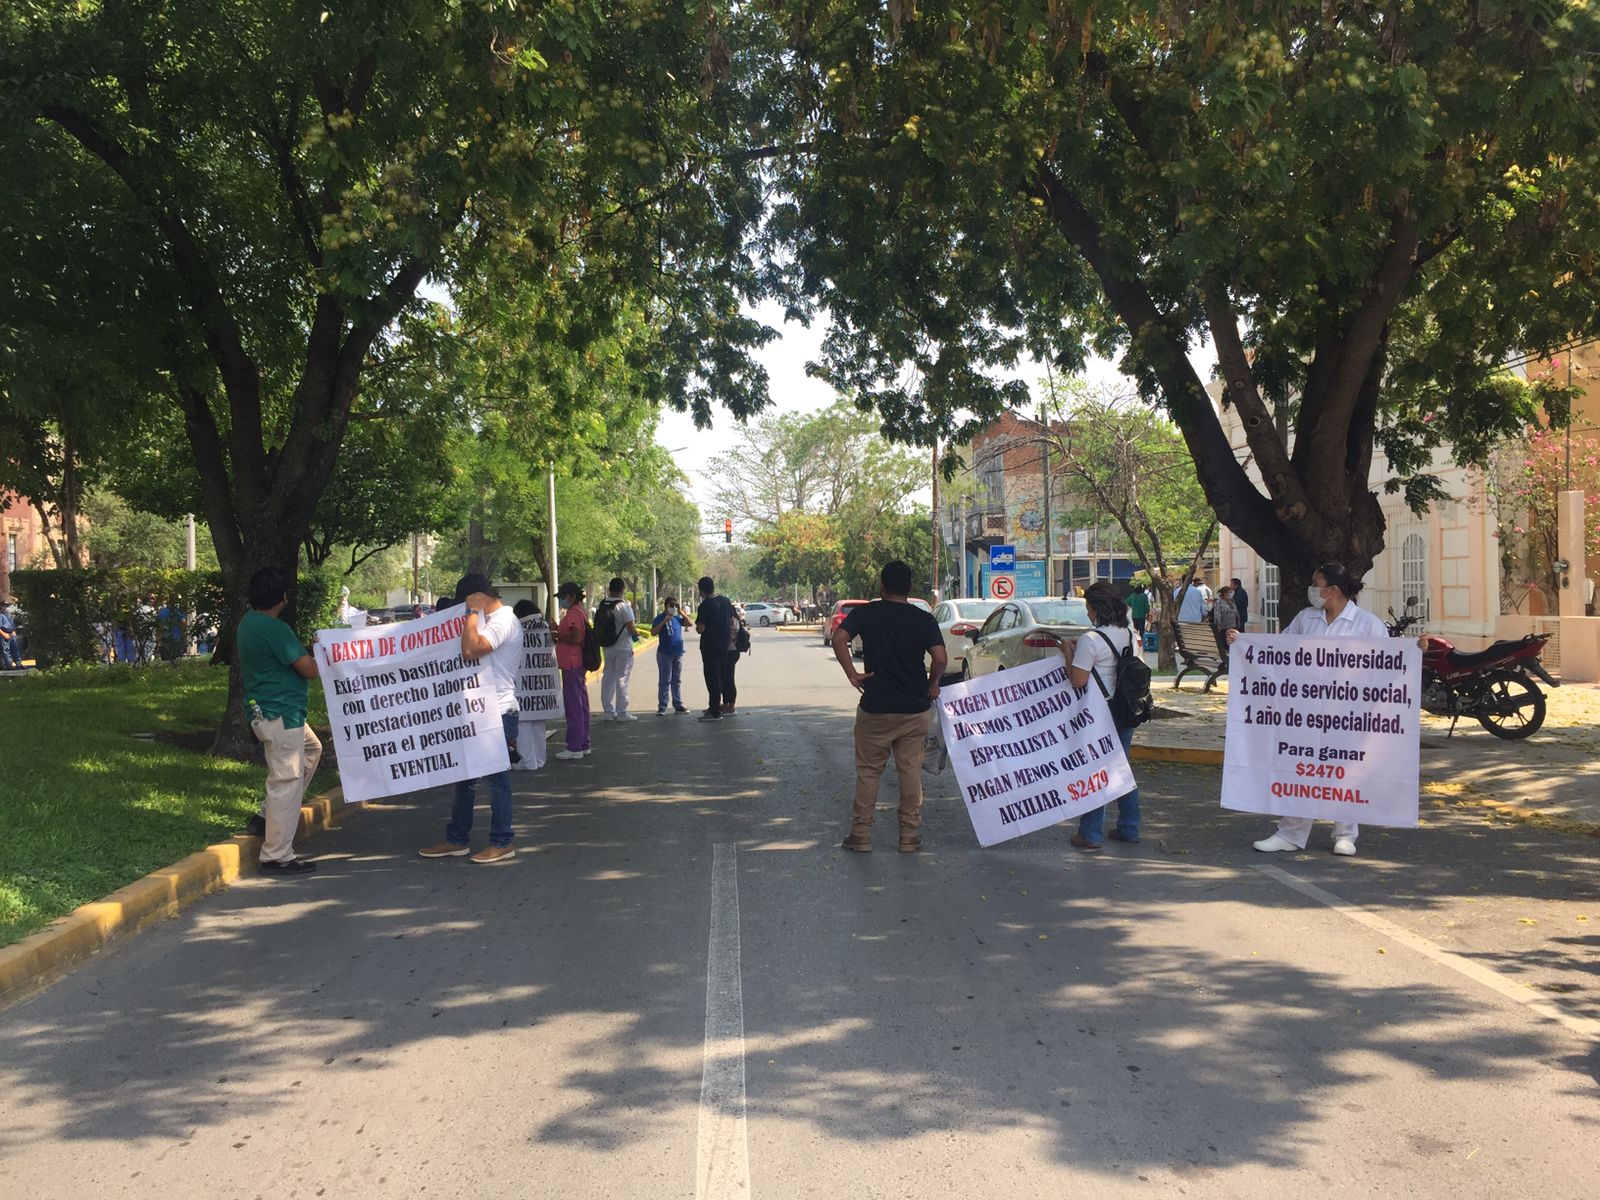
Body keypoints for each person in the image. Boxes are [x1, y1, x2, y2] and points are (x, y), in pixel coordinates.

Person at [1230, 562, 1386, 857]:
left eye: (1317, 584)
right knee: (1301, 769)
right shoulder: (1306, 618)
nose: (1312, 589)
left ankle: (1345, 835)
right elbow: (1280, 650)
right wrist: (1243, 643)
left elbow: (1388, 662)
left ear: (1333, 590)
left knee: (1344, 770)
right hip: (1305, 713)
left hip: (1348, 713)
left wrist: (1417, 650)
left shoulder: (1367, 624)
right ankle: (1290, 833)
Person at [832, 560, 947, 853]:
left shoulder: (867, 613)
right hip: (915, 709)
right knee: (910, 771)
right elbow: (940, 658)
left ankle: (861, 834)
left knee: (869, 772)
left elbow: (839, 638)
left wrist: (852, 674)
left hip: (876, 706)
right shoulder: (923, 619)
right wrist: (933, 684)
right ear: (910, 588)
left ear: (882, 586)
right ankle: (908, 836)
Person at [419, 574, 523, 864]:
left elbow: (470, 650)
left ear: (478, 597)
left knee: (497, 780)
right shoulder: (484, 619)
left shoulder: (503, 620)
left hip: (498, 711)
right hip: (475, 710)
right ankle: (456, 838)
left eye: (464, 603)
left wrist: (470, 613)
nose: (462, 609)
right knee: (464, 777)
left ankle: (502, 841)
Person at [237, 567, 323, 876]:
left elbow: (288, 659)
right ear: (282, 598)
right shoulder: (276, 630)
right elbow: (309, 670)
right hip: (282, 714)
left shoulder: (248, 623)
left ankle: (265, 817)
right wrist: (321, 652)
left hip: (267, 712)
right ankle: (276, 855)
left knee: (311, 751)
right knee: (286, 781)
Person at [1059, 581, 1144, 850]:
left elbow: (1078, 680)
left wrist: (1067, 652)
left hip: (1101, 712)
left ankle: (1090, 833)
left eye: (1088, 608)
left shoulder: (1091, 639)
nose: (1087, 613)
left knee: (1095, 770)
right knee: (1121, 768)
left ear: (1097, 609)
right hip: (1127, 708)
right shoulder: (1128, 633)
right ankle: (1129, 827)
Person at [552, 581, 593, 759]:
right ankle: (583, 743)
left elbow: (576, 638)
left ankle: (575, 747)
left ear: (572, 596)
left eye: (563, 597)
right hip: (576, 662)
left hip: (571, 662)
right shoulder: (579, 611)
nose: (561, 600)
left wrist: (556, 634)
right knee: (581, 704)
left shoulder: (573, 613)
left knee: (573, 705)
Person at [511, 600, 550, 772]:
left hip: (523, 684)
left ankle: (528, 761)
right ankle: (540, 759)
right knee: (539, 722)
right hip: (542, 682)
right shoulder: (545, 627)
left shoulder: (518, 630)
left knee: (523, 722)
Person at [595, 578, 639, 721]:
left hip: (607, 646)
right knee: (622, 678)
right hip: (623, 647)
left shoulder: (603, 604)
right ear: (623, 589)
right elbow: (631, 628)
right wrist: (637, 634)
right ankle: (622, 712)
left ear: (609, 589)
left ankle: (608, 711)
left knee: (608, 677)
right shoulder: (623, 606)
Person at [694, 576, 734, 722]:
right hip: (725, 645)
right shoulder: (726, 601)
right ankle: (716, 707)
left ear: (701, 590)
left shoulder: (705, 605)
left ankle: (715, 711)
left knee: (712, 678)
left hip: (710, 647)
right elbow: (731, 620)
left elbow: (700, 628)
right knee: (721, 676)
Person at [651, 596, 689, 714]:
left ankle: (678, 705)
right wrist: (664, 621)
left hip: (678, 652)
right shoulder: (659, 618)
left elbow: (690, 623)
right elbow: (653, 632)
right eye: (671, 605)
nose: (673, 607)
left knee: (676, 680)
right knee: (664, 680)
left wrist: (681, 612)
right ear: (666, 606)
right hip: (664, 653)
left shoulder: (677, 618)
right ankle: (662, 706)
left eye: (675, 605)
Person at [720, 607, 749, 715]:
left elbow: (726, 634)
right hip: (731, 652)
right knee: (725, 679)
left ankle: (731, 705)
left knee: (728, 679)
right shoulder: (735, 620)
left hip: (731, 652)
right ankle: (726, 703)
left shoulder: (731, 621)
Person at [1210, 584, 1241, 656]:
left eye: (1231, 592)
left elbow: (1236, 612)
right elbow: (1217, 615)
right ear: (1224, 594)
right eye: (1228, 592)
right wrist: (1218, 626)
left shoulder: (1232, 602)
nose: (1230, 594)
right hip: (1224, 628)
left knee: (1233, 644)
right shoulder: (1219, 602)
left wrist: (1238, 621)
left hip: (1233, 626)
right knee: (1225, 645)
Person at [0, 599, 19, 669]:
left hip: (10, 633)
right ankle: (9, 664)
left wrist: (13, 631)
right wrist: (4, 634)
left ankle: (18, 663)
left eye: (6, 606)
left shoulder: (8, 615)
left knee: (15, 649)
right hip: (4, 633)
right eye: (4, 606)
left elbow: (11, 625)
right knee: (6, 650)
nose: (6, 607)